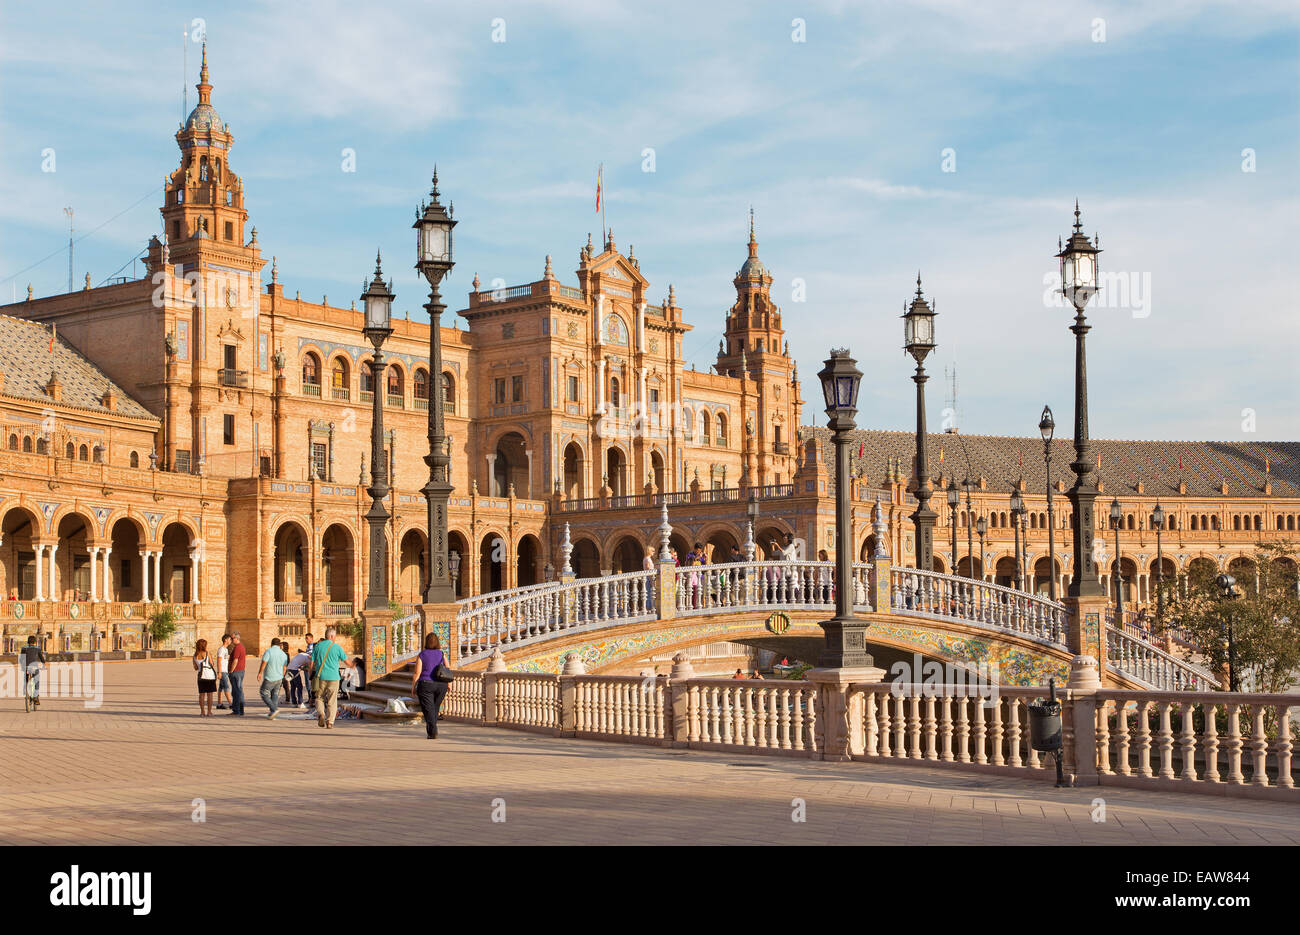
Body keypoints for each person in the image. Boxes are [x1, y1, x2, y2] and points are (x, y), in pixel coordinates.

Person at [309, 627, 352, 729]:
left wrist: (310, 675)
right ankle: (330, 722)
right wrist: (353, 666)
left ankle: (321, 714)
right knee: (332, 700)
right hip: (334, 677)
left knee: (319, 698)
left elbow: (311, 663)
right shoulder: (337, 647)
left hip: (320, 677)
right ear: (332, 636)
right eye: (335, 636)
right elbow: (347, 662)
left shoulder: (317, 646)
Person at [411, 633, 449, 739]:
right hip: (441, 685)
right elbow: (447, 668)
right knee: (434, 708)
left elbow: (417, 673)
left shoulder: (422, 655)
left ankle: (432, 731)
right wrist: (449, 684)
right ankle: (431, 731)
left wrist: (413, 687)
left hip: (426, 685)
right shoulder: (442, 654)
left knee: (428, 709)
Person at [257, 637, 288, 719]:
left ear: (271, 644)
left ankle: (274, 709)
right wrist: (282, 675)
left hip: (270, 677)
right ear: (279, 644)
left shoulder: (269, 651)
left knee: (263, 692)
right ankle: (273, 713)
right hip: (279, 677)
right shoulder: (283, 654)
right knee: (275, 694)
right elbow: (285, 667)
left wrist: (260, 673)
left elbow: (264, 662)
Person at [193, 638, 218, 716]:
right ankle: (209, 712)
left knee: (201, 695)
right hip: (209, 677)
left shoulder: (195, 655)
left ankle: (202, 712)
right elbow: (212, 663)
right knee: (209, 694)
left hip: (201, 677)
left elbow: (195, 668)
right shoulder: (207, 653)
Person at [20, 635, 46, 707]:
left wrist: (23, 667)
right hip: (34, 667)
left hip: (27, 667)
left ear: (28, 642)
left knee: (26, 679)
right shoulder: (37, 649)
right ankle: (36, 696)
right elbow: (41, 658)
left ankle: (25, 690)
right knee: (36, 680)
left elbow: (21, 659)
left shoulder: (24, 649)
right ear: (35, 642)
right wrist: (43, 664)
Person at [227, 631, 247, 716]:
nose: (231, 640)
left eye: (232, 638)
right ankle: (240, 710)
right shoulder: (240, 647)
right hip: (240, 671)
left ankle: (237, 710)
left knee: (236, 691)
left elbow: (235, 660)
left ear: (237, 638)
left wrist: (231, 670)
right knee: (239, 690)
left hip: (236, 672)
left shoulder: (238, 648)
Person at [216, 634, 232, 709]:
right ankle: (231, 703)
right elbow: (219, 661)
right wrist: (219, 672)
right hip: (222, 671)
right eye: (229, 639)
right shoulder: (221, 649)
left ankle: (219, 704)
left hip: (225, 671)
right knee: (226, 687)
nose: (230, 641)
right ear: (225, 640)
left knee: (221, 688)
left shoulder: (226, 649)